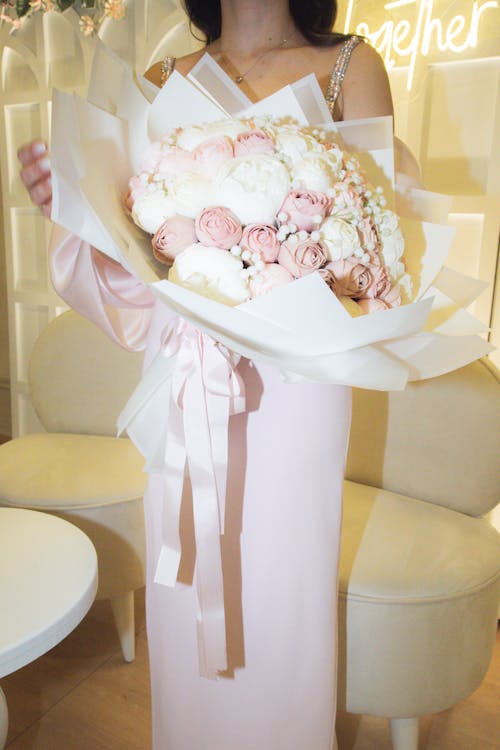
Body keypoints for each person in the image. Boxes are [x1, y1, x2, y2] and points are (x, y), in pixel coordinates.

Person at [18, 3, 419, 748]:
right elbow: (138, 266)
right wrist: (78, 210)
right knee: (186, 568)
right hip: (186, 369)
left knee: (280, 589)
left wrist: (290, 266)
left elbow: (374, 236)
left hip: (298, 391)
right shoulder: (162, 79)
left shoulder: (350, 68)